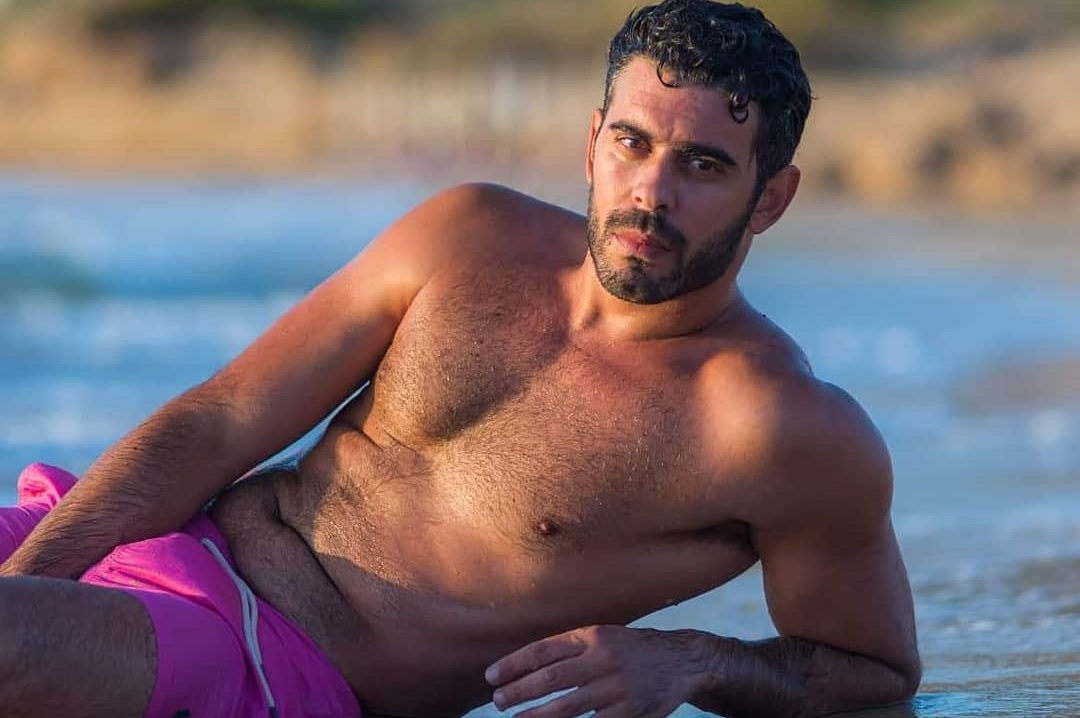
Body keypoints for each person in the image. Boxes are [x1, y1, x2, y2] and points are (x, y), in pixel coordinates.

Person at [0, 1, 921, 717]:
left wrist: (691, 660)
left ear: (772, 198)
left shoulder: (775, 425)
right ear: (592, 142)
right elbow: (220, 420)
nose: (651, 192)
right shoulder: (469, 235)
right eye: (632, 144)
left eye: (703, 166)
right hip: (162, 537)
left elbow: (877, 672)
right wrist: (37, 579)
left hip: (265, 662)